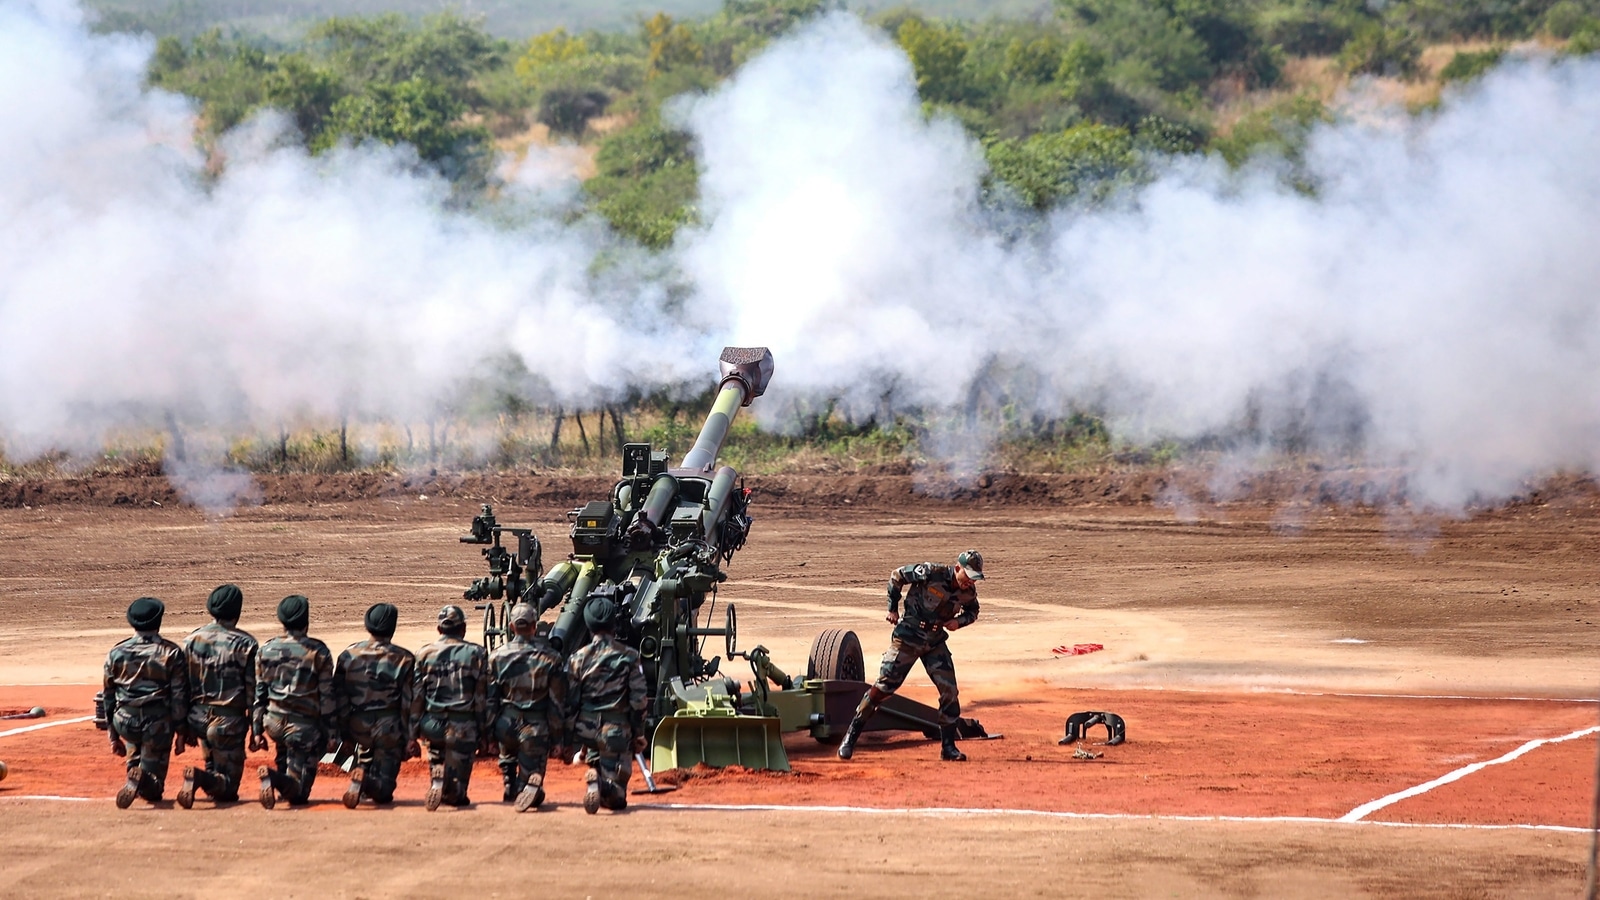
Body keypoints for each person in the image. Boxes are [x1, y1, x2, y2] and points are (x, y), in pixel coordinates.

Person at [837, 549, 984, 763]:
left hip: (934, 641)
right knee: (883, 687)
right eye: (968, 577)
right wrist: (892, 608)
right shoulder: (931, 572)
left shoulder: (968, 592)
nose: (970, 583)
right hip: (908, 636)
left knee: (949, 691)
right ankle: (850, 737)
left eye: (975, 579)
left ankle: (948, 747)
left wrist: (958, 623)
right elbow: (897, 576)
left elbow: (973, 612)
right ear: (958, 568)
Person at [175, 584, 257, 808]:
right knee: (229, 789)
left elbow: (181, 689)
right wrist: (256, 732)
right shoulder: (246, 644)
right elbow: (253, 694)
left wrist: (182, 729)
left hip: (197, 718)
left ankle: (205, 775)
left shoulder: (190, 641)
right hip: (228, 723)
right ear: (237, 611)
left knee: (213, 762)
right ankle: (200, 778)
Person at [103, 597, 188, 808]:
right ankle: (142, 779)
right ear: (159, 621)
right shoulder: (171, 653)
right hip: (156, 723)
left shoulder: (116, 652)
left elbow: (108, 696)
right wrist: (180, 732)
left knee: (136, 749)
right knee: (154, 788)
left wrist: (113, 736)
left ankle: (135, 772)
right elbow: (179, 696)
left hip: (125, 720)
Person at [253, 594, 337, 808]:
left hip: (273, 723)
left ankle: (279, 778)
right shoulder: (318, 651)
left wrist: (256, 730)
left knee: (284, 751)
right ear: (306, 622)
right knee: (299, 794)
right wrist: (331, 733)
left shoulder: (266, 650)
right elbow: (326, 696)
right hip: (303, 728)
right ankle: (274, 778)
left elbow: (260, 693)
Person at [565, 597, 647, 814]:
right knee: (617, 799)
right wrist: (639, 734)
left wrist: (570, 737)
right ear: (614, 624)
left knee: (598, 755)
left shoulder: (577, 659)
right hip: (616, 733)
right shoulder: (629, 657)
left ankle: (596, 775)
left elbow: (570, 700)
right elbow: (639, 700)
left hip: (588, 733)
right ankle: (603, 785)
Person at [333, 602, 416, 808]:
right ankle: (367, 782)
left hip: (357, 725)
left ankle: (362, 776)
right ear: (393, 628)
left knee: (366, 755)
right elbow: (409, 703)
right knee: (385, 791)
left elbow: (338, 697)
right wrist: (410, 737)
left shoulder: (347, 655)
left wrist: (344, 733)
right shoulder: (404, 658)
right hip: (389, 727)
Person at [488, 603, 567, 812]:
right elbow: (556, 703)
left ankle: (508, 781)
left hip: (505, 725)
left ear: (512, 627)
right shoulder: (551, 659)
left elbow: (490, 699)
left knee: (508, 749)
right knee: (532, 778)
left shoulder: (496, 657)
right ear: (534, 626)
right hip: (535, 729)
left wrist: (488, 736)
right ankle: (529, 787)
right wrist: (558, 739)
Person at [412, 604, 488, 810]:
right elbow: (481, 698)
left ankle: (437, 774)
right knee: (460, 776)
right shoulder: (477, 654)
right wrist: (483, 731)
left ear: (439, 630)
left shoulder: (423, 653)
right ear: (463, 629)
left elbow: (417, 696)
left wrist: (414, 730)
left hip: (432, 723)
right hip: (462, 725)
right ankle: (454, 791)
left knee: (436, 751)